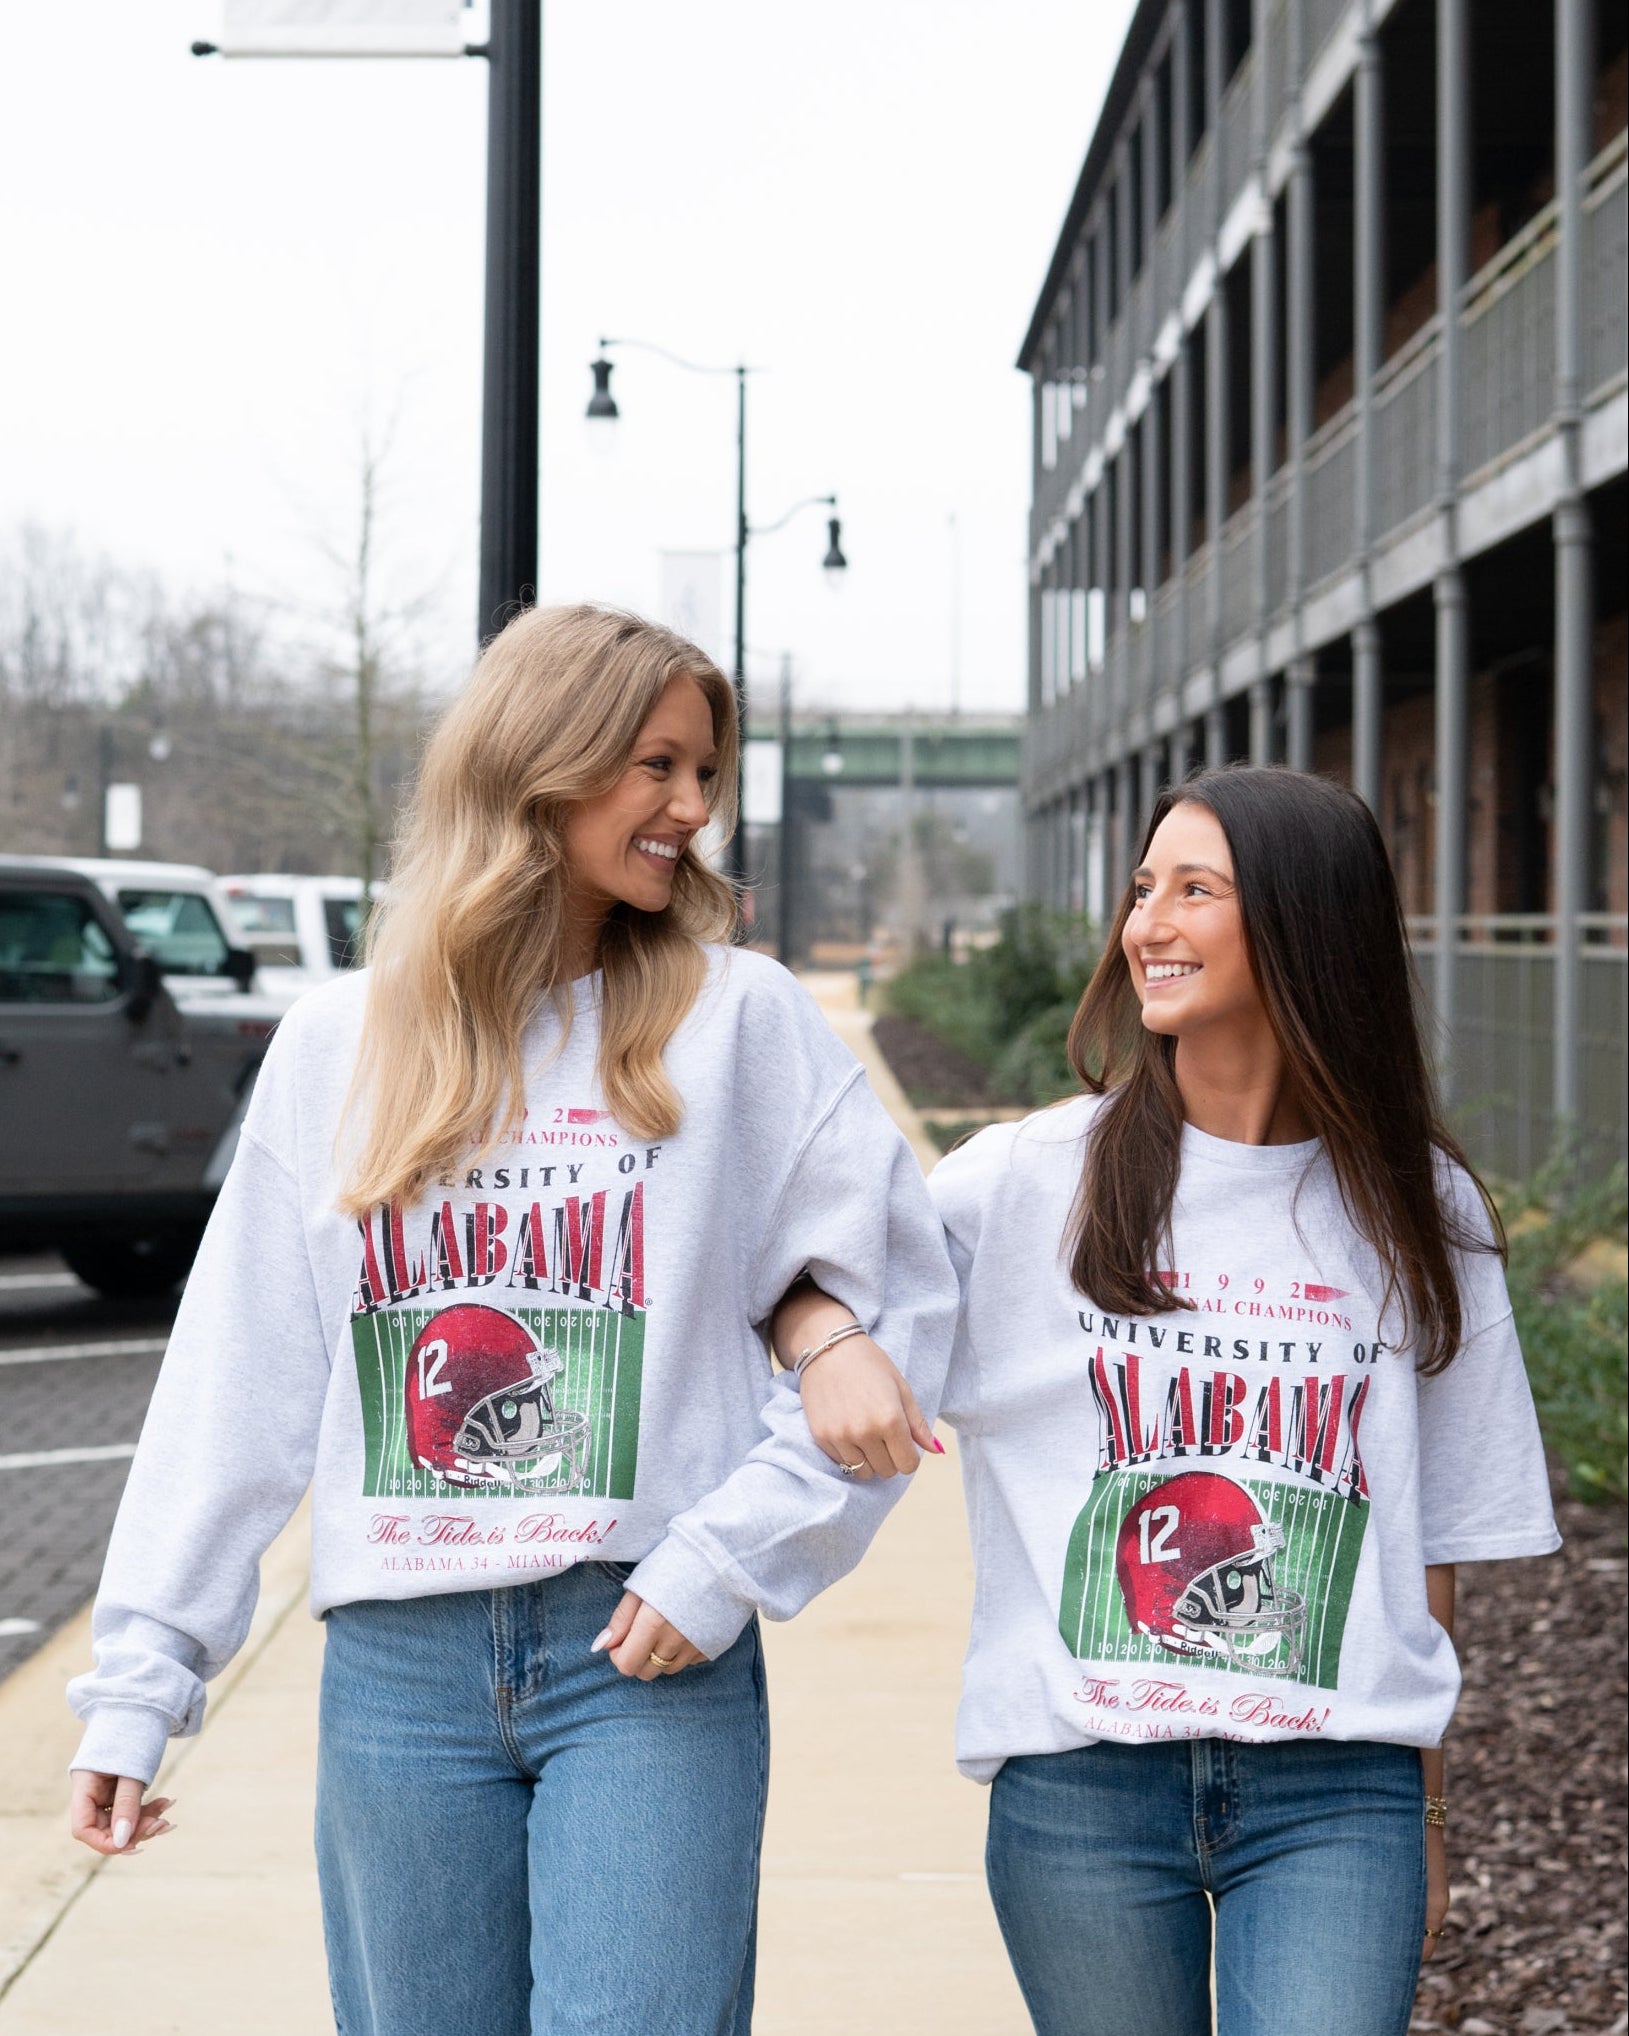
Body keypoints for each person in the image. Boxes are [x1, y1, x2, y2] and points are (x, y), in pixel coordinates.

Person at [66, 605, 955, 2036]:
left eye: (706, 773)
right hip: (398, 1679)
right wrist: (143, 1681)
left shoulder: (739, 1023)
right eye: (657, 765)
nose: (693, 808)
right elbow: (238, 1377)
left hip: (642, 1650)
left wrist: (721, 1563)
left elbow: (904, 1299)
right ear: (541, 763)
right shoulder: (337, 1046)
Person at [781, 766, 1560, 2036]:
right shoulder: (1032, 1180)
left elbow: (1430, 1556)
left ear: (1308, 923)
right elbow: (807, 1276)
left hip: (1336, 1792)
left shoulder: (1425, 1211)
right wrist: (824, 1341)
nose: (1148, 920)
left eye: (1196, 889)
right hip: (1083, 1792)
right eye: (1144, 887)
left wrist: (1423, 1811)